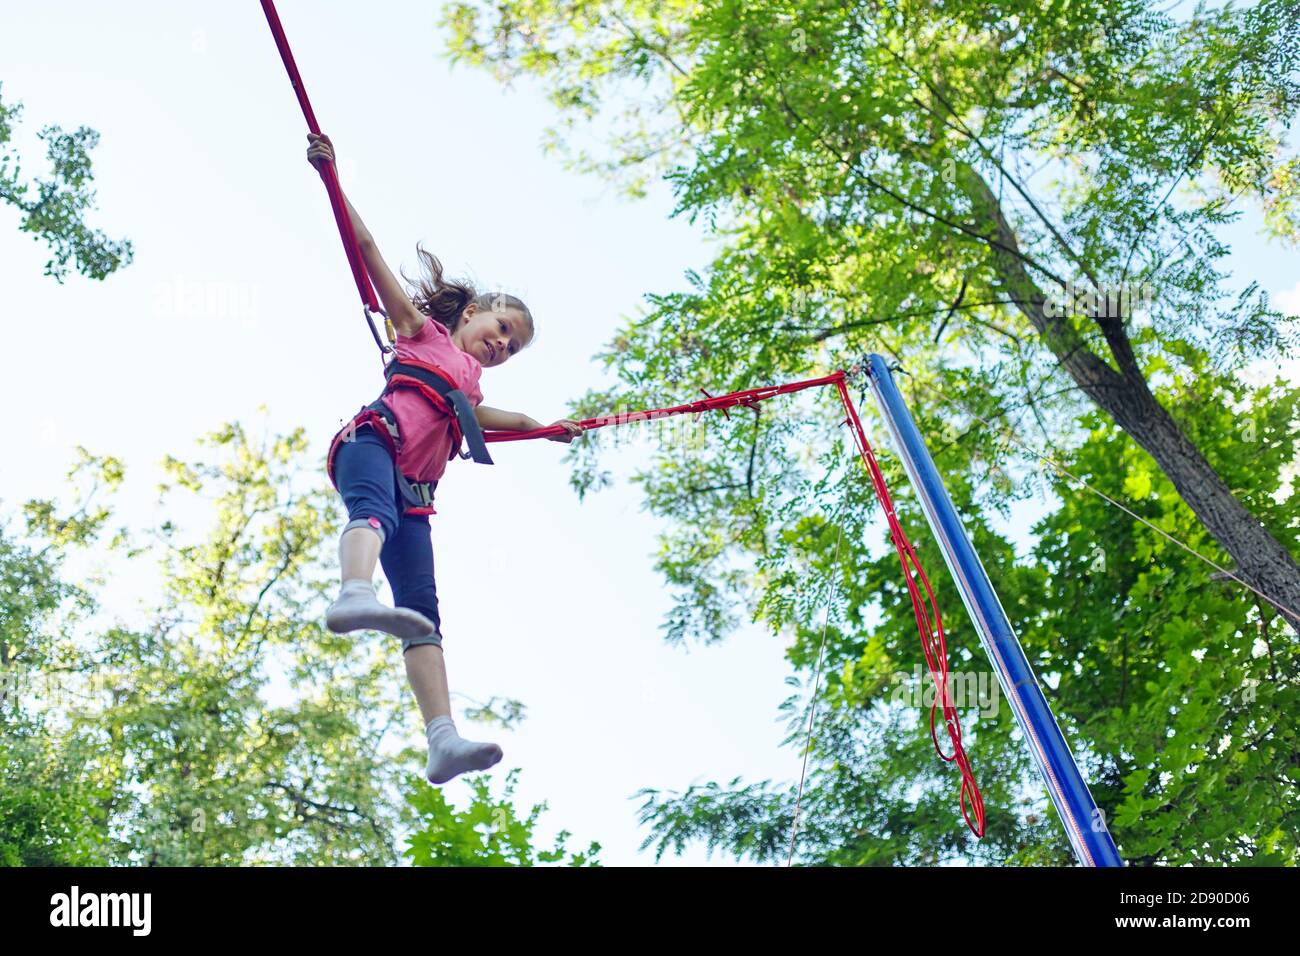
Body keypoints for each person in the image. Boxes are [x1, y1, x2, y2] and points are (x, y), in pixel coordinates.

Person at [307, 133, 583, 785]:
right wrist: (333, 181)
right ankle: (352, 592)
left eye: (512, 349)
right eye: (502, 330)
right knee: (372, 512)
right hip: (373, 444)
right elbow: (369, 254)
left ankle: (442, 740)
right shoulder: (422, 335)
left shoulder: (472, 389)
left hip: (417, 493)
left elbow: (501, 421)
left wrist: (547, 429)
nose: (502, 346)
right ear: (476, 313)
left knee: (425, 610)